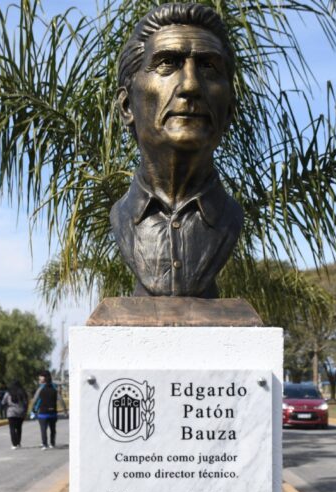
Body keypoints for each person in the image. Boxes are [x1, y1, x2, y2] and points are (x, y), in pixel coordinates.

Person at [110, 3, 243, 298]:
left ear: (230, 108)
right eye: (167, 63)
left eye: (209, 66)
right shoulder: (120, 217)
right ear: (126, 106)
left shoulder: (231, 218)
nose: (191, 86)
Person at [31, 370, 62, 450]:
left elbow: (35, 399)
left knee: (43, 429)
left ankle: (44, 444)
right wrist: (65, 410)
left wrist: (32, 409)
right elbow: (60, 399)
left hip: (43, 413)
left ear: (44, 377)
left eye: (40, 376)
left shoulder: (41, 388)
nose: (39, 377)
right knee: (53, 429)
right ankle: (52, 443)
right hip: (53, 413)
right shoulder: (54, 387)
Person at [2, 381, 28, 449]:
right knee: (19, 428)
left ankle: (14, 444)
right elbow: (26, 402)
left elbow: (3, 402)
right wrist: (25, 411)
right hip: (21, 412)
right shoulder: (23, 392)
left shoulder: (8, 393)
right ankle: (18, 443)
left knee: (12, 428)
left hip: (11, 412)